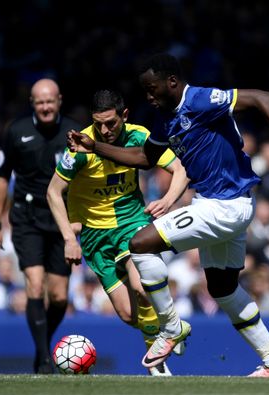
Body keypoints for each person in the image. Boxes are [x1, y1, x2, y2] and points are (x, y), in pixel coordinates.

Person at [69, 53, 269, 377]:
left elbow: (261, 98)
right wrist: (94, 146)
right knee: (223, 289)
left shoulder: (199, 99)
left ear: (172, 82)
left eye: (152, 89)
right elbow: (143, 157)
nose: (149, 97)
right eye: (145, 91)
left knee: (139, 243)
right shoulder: (165, 118)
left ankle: (170, 327)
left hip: (225, 206)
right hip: (217, 205)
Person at [47, 89, 189, 376]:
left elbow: (180, 168)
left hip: (131, 223)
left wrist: (168, 199)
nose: (104, 130)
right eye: (98, 123)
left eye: (110, 123)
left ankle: (158, 362)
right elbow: (53, 191)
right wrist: (68, 238)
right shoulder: (80, 147)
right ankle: (170, 327)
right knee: (127, 314)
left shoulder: (139, 136)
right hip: (94, 238)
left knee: (141, 287)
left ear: (124, 115)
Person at [0, 78, 83, 374]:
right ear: (32, 103)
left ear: (59, 100)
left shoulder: (74, 132)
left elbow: (85, 176)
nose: (45, 107)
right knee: (35, 284)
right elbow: (2, 177)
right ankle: (43, 359)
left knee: (58, 296)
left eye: (49, 101)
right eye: (39, 102)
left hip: (61, 220)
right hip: (26, 217)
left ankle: (44, 343)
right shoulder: (16, 132)